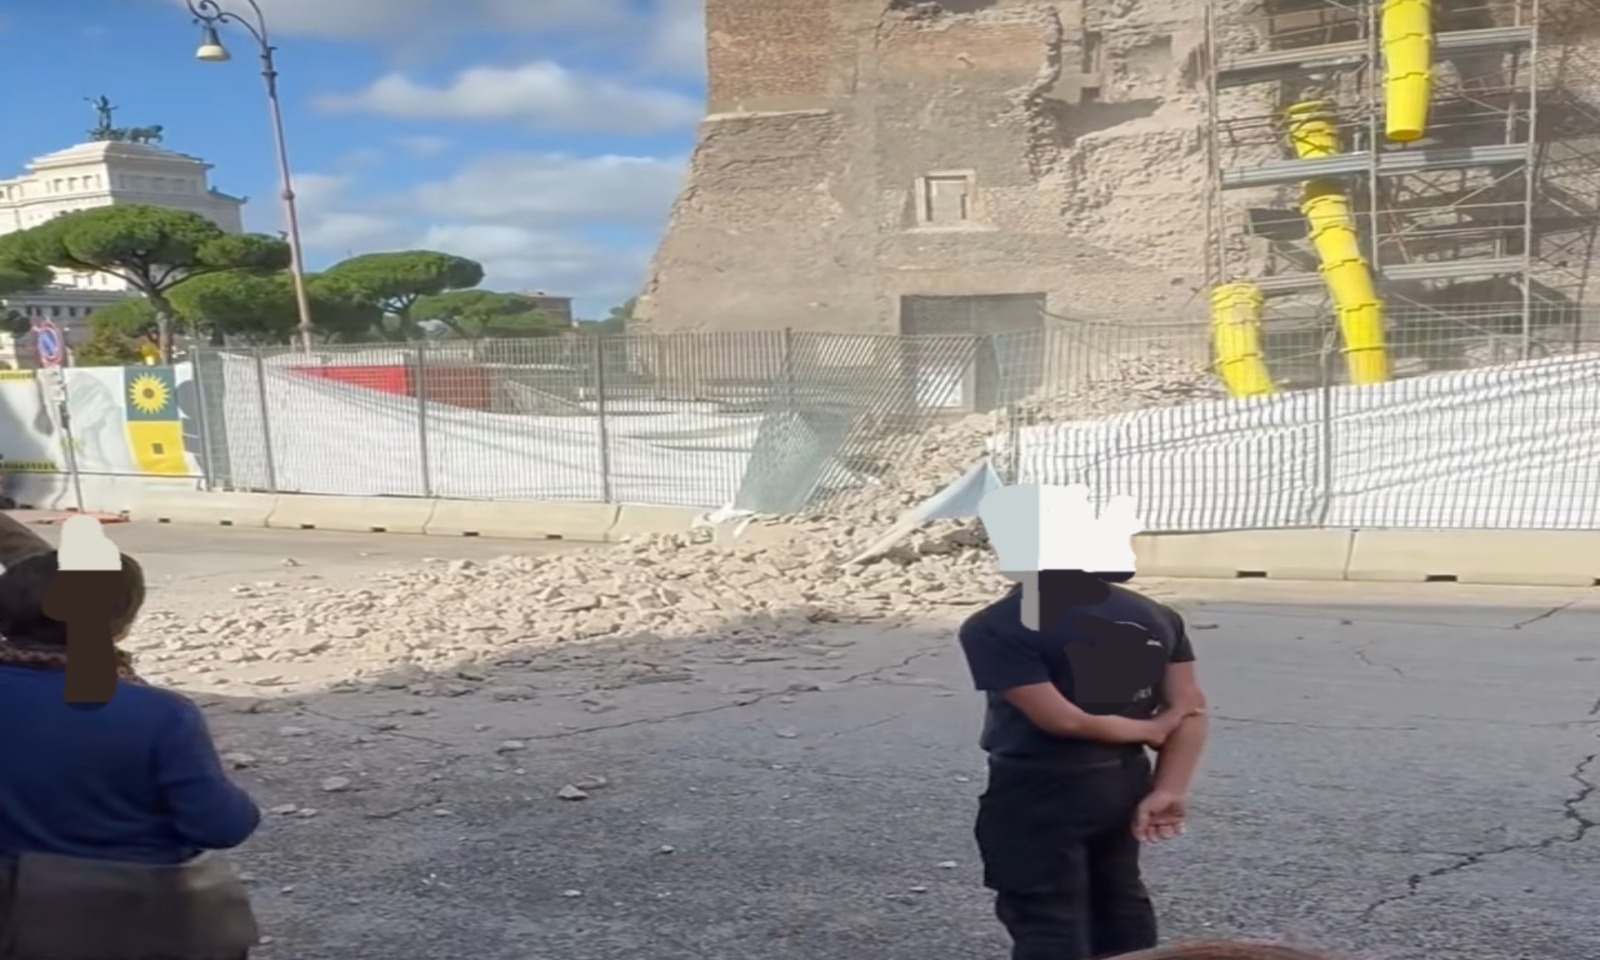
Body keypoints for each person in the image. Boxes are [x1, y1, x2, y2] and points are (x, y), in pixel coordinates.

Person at [0, 515, 261, 959]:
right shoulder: (159, 714)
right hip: (139, 915)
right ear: (121, 626)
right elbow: (220, 825)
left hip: (15, 918)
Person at [958, 568, 1210, 960]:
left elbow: (1062, 720)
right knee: (1118, 898)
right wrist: (1169, 788)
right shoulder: (1154, 614)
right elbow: (1190, 709)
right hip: (1123, 782)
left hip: (1038, 787)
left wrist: (1151, 730)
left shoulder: (996, 625)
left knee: (1046, 912)